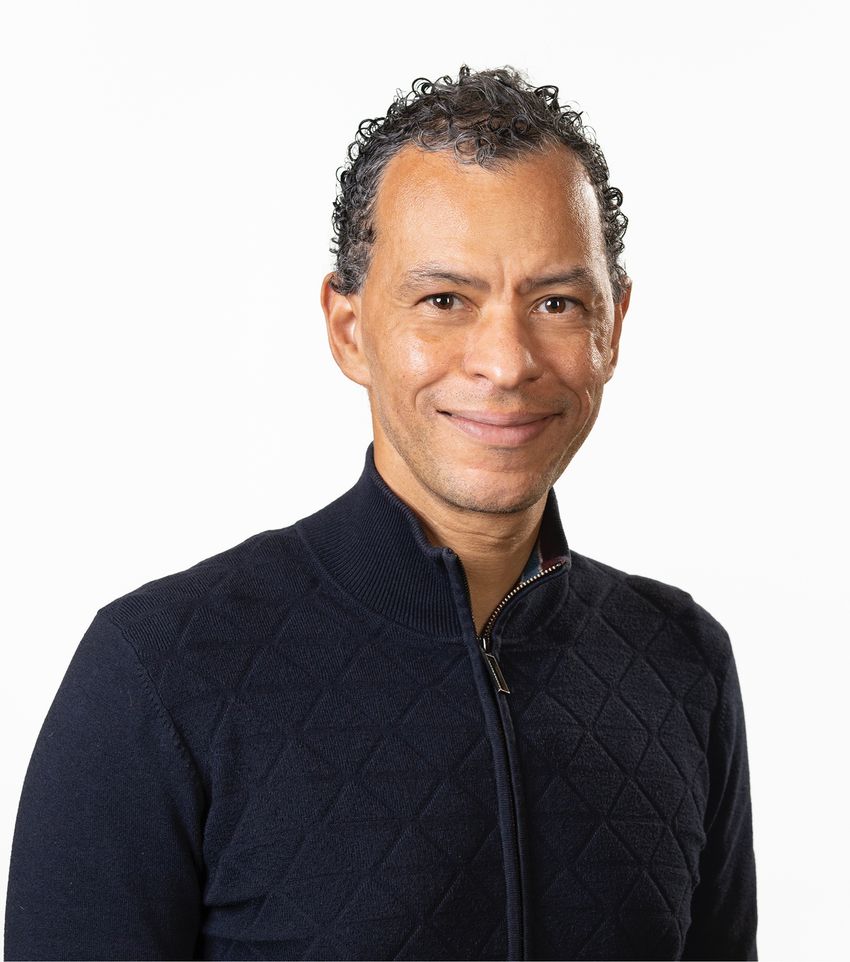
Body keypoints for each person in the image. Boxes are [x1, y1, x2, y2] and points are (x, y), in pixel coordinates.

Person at [4, 64, 757, 961]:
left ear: (613, 326)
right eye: (445, 300)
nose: (506, 360)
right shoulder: (161, 671)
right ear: (350, 329)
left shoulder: (681, 662)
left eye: (556, 302)